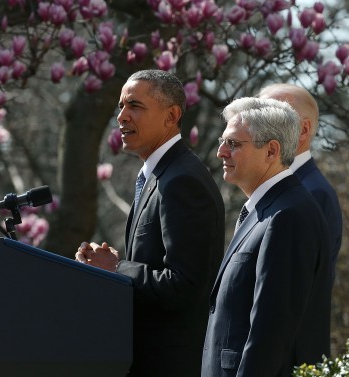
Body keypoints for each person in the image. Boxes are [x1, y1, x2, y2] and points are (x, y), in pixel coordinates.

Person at [75, 69, 225, 377]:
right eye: (121, 106)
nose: (122, 117)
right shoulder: (159, 175)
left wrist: (117, 268)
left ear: (171, 116)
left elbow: (184, 284)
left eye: (135, 106)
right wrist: (109, 268)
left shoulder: (182, 180)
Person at [202, 97, 331, 377]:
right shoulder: (268, 209)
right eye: (224, 141)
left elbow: (270, 332)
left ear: (272, 150)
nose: (220, 152)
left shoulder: (288, 215)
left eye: (233, 144)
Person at [257, 83, 342, 285]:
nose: (256, 127)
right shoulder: (271, 183)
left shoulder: (314, 193)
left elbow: (296, 287)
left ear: (303, 130)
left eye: (271, 117)